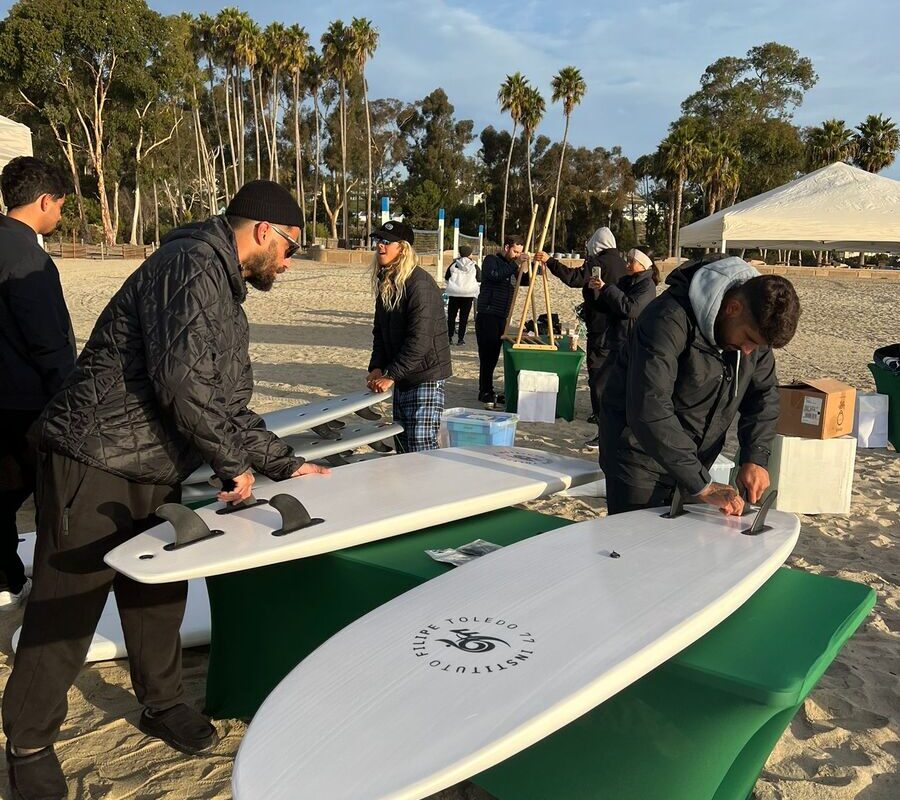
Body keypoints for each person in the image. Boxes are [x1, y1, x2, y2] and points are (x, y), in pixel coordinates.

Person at [3, 180, 330, 800]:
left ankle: (160, 704)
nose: (289, 263)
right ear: (262, 231)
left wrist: (285, 465)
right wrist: (233, 467)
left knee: (157, 596)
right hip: (93, 456)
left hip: (157, 466)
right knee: (66, 605)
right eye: (290, 248)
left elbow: (227, 402)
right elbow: (181, 381)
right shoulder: (188, 265)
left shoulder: (224, 290)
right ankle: (28, 741)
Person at [600, 254, 801, 517]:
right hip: (637, 458)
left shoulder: (754, 333)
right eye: (749, 339)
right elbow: (650, 408)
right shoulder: (666, 320)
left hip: (693, 462)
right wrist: (702, 484)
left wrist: (755, 456)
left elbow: (764, 395)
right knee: (635, 550)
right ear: (733, 308)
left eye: (759, 346)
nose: (750, 351)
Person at [0, 156, 75, 613]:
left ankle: (5, 577)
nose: (61, 216)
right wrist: (70, 399)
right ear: (45, 201)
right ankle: (39, 587)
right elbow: (49, 342)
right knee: (47, 498)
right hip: (23, 403)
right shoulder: (31, 259)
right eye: (61, 206)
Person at [534, 226, 627, 448]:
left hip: (602, 327)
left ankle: (604, 429)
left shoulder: (600, 263)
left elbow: (574, 278)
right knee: (613, 377)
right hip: (619, 329)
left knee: (599, 377)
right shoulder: (620, 263)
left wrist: (550, 261)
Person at [367, 220, 452, 452]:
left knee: (421, 447)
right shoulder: (388, 282)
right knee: (402, 447)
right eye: (377, 241)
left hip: (425, 376)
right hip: (403, 376)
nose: (379, 247)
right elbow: (380, 332)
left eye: (386, 242)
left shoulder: (419, 284)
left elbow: (420, 340)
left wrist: (391, 375)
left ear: (402, 248)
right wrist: (376, 366)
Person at [474, 234, 528, 405]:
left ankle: (489, 388)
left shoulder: (512, 265)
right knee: (487, 355)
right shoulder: (491, 260)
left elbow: (524, 281)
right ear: (506, 247)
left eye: (520, 252)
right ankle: (485, 390)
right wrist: (515, 264)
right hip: (487, 314)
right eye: (515, 251)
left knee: (495, 355)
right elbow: (494, 275)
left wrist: (526, 266)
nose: (517, 255)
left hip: (502, 316)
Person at [444, 244, 480, 346]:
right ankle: (460, 339)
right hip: (468, 294)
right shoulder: (474, 265)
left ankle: (450, 337)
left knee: (451, 316)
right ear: (469, 254)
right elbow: (479, 279)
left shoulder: (453, 264)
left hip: (454, 293)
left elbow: (447, 278)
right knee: (464, 317)